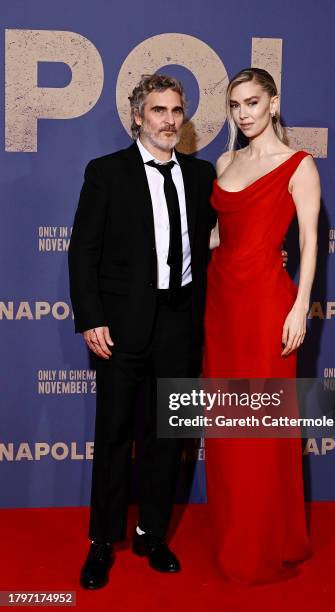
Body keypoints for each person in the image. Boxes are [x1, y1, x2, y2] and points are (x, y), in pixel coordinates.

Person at [68, 73, 217, 589]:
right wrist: (90, 316)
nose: (170, 121)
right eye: (159, 111)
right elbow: (83, 250)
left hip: (181, 322)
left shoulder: (200, 176)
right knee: (113, 435)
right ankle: (103, 541)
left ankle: (153, 532)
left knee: (167, 434)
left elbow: (217, 238)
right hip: (122, 325)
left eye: (177, 111)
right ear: (138, 116)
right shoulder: (107, 173)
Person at [203, 67, 321, 585]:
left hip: (267, 307)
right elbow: (220, 236)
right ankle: (236, 535)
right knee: (228, 430)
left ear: (273, 103)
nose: (244, 113)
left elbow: (311, 243)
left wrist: (299, 307)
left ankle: (267, 542)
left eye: (252, 102)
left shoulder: (299, 165)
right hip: (221, 306)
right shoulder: (225, 161)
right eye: (235, 105)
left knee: (262, 429)